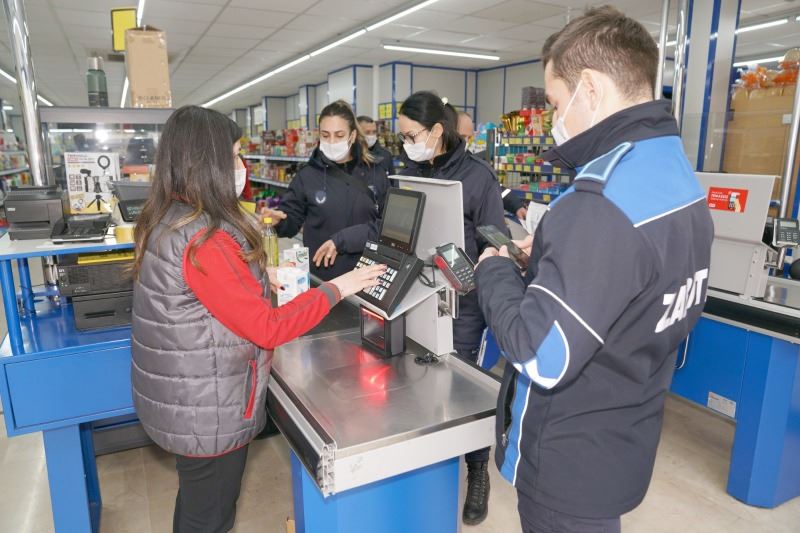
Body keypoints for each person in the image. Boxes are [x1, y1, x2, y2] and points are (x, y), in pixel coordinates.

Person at [475, 7, 713, 533]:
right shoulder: (676, 173)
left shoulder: (598, 202)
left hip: (567, 460)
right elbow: (635, 284)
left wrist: (495, 272)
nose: (554, 117)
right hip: (626, 433)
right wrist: (558, 257)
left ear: (590, 88)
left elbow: (541, 356)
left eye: (555, 101)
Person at [130, 105, 385, 533]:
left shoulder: (172, 216)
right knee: (209, 517)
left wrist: (257, 273)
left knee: (196, 503)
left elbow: (199, 292)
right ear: (206, 163)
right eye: (233, 156)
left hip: (188, 397)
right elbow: (269, 327)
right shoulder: (204, 238)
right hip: (208, 408)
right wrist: (338, 287)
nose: (241, 166)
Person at [397, 91, 507, 526]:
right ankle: (429, 464)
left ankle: (477, 470)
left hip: (465, 303)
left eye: (412, 135)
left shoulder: (478, 177)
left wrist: (478, 275)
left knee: (464, 390)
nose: (406, 144)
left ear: (437, 131)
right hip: (419, 295)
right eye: (403, 137)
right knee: (421, 382)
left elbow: (494, 240)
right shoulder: (409, 171)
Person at [262, 101, 391, 281]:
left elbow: (389, 226)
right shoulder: (307, 176)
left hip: (368, 274)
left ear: (352, 135)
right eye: (325, 135)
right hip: (323, 277)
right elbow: (291, 221)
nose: (331, 142)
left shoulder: (375, 173)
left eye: (339, 135)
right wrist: (278, 222)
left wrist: (344, 240)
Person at [456, 109, 528, 222]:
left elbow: (495, 189)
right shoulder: (432, 164)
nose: (466, 142)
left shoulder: (474, 166)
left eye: (469, 137)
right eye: (462, 136)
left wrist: (516, 205)